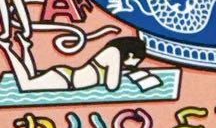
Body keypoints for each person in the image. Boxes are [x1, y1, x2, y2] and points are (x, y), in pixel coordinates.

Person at [2, 36, 147, 93]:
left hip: (68, 76)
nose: (134, 65)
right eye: (136, 62)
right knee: (26, 85)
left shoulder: (113, 54)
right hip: (67, 79)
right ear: (131, 54)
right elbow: (112, 86)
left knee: (32, 76)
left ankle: (25, 47)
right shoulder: (114, 53)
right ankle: (8, 48)